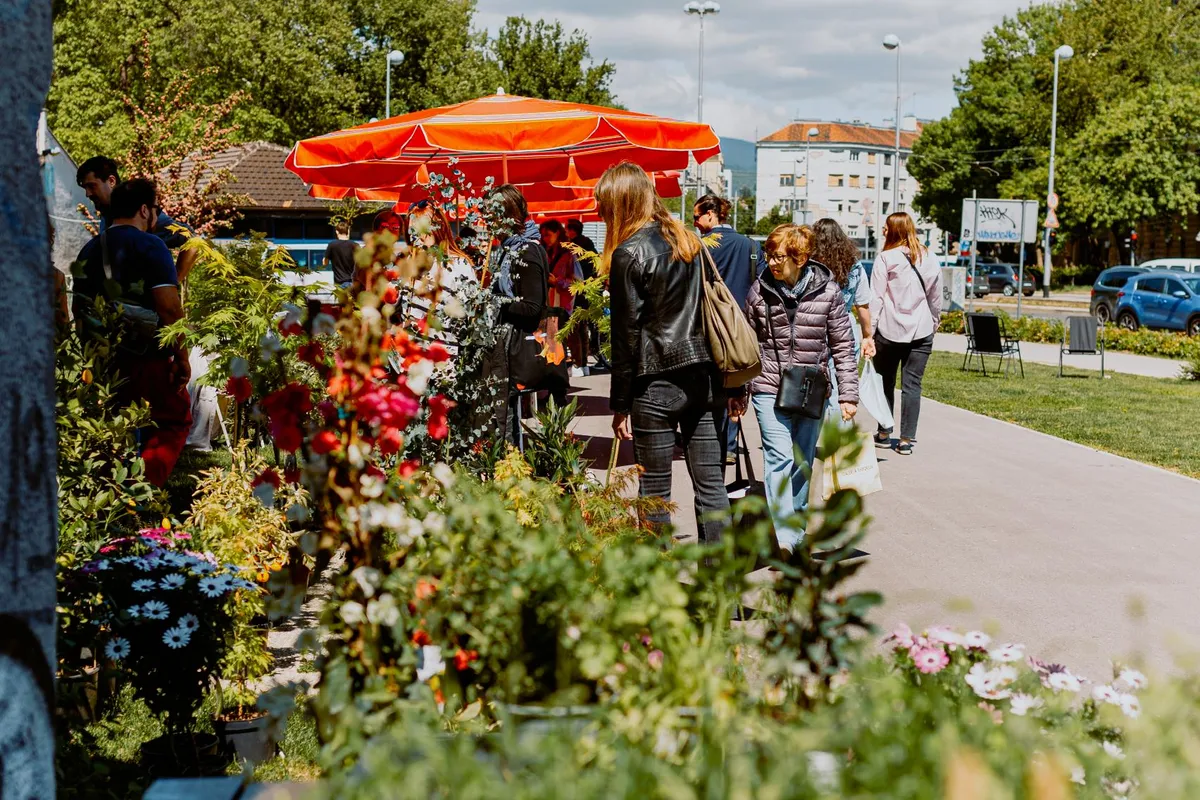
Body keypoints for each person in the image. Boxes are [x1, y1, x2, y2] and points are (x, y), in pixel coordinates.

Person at [600, 162, 729, 544]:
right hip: (702, 378)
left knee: (655, 494)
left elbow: (626, 338)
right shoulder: (688, 241)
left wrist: (619, 404)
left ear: (620, 204)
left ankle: (660, 594)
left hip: (654, 384)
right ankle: (723, 596)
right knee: (712, 489)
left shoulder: (629, 253)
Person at [733, 223, 858, 558]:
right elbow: (748, 342)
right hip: (768, 386)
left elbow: (844, 346)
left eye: (779, 257)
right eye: (769, 256)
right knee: (779, 458)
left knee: (802, 464)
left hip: (810, 388)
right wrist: (738, 392)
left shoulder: (828, 293)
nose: (772, 263)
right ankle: (784, 537)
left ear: (800, 258)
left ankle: (797, 534)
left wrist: (848, 394)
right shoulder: (759, 291)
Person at [72, 179, 192, 486]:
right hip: (149, 357)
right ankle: (145, 493)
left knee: (113, 428)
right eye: (155, 209)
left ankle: (111, 494)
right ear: (144, 210)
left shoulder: (89, 248)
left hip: (105, 361)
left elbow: (79, 311)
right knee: (173, 420)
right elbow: (169, 308)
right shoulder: (152, 245)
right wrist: (182, 357)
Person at [693, 193, 765, 464]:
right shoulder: (750, 245)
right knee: (737, 380)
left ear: (711, 214)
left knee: (710, 381)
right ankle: (731, 443)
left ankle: (709, 441)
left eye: (697, 217)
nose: (696, 223)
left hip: (707, 324)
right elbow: (760, 285)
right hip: (740, 326)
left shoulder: (701, 247)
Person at [869, 212, 942, 456]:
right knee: (913, 386)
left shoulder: (885, 258)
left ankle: (883, 432)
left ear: (894, 230)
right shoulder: (930, 257)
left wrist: (869, 333)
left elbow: (876, 298)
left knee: (885, 383)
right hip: (921, 332)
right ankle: (906, 440)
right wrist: (934, 320)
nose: (883, 232)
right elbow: (936, 295)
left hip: (888, 332)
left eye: (885, 228)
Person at [484, 184, 550, 442]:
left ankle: (511, 474)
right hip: (505, 349)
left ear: (506, 216)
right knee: (503, 418)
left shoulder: (527, 252)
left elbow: (533, 309)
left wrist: (493, 301)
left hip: (515, 349)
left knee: (508, 422)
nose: (488, 223)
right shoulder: (509, 250)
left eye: (492, 216)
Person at [77, 156, 198, 281]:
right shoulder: (107, 216)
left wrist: (175, 279)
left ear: (111, 181)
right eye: (85, 188)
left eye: (92, 186)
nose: (88, 194)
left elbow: (193, 240)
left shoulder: (139, 213)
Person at [810, 218, 875, 410]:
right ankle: (839, 434)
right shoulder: (854, 265)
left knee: (813, 385)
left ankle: (811, 434)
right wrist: (867, 336)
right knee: (842, 387)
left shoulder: (810, 264)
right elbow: (862, 305)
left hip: (815, 326)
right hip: (845, 327)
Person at [399, 200, 478, 353]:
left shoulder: (458, 264)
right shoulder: (410, 261)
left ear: (438, 225)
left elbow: (471, 313)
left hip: (443, 355)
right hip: (410, 355)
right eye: (413, 229)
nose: (420, 235)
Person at [540, 219, 585, 376]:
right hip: (549, 305)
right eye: (543, 235)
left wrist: (557, 281)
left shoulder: (569, 255)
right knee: (552, 344)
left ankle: (561, 379)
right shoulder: (544, 253)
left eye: (548, 235)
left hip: (564, 307)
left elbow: (578, 282)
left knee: (561, 342)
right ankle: (555, 378)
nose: (545, 238)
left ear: (557, 233)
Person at [564, 218, 603, 371]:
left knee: (575, 327)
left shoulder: (575, 246)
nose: (566, 232)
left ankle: (578, 364)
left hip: (579, 290)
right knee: (583, 327)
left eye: (567, 229)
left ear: (573, 230)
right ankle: (584, 363)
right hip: (590, 290)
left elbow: (575, 270)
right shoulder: (589, 244)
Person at [324, 221, 359, 289]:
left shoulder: (332, 245)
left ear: (337, 231)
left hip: (339, 283)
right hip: (354, 283)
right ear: (348, 231)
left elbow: (325, 263)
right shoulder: (355, 245)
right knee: (353, 299)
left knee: (342, 299)